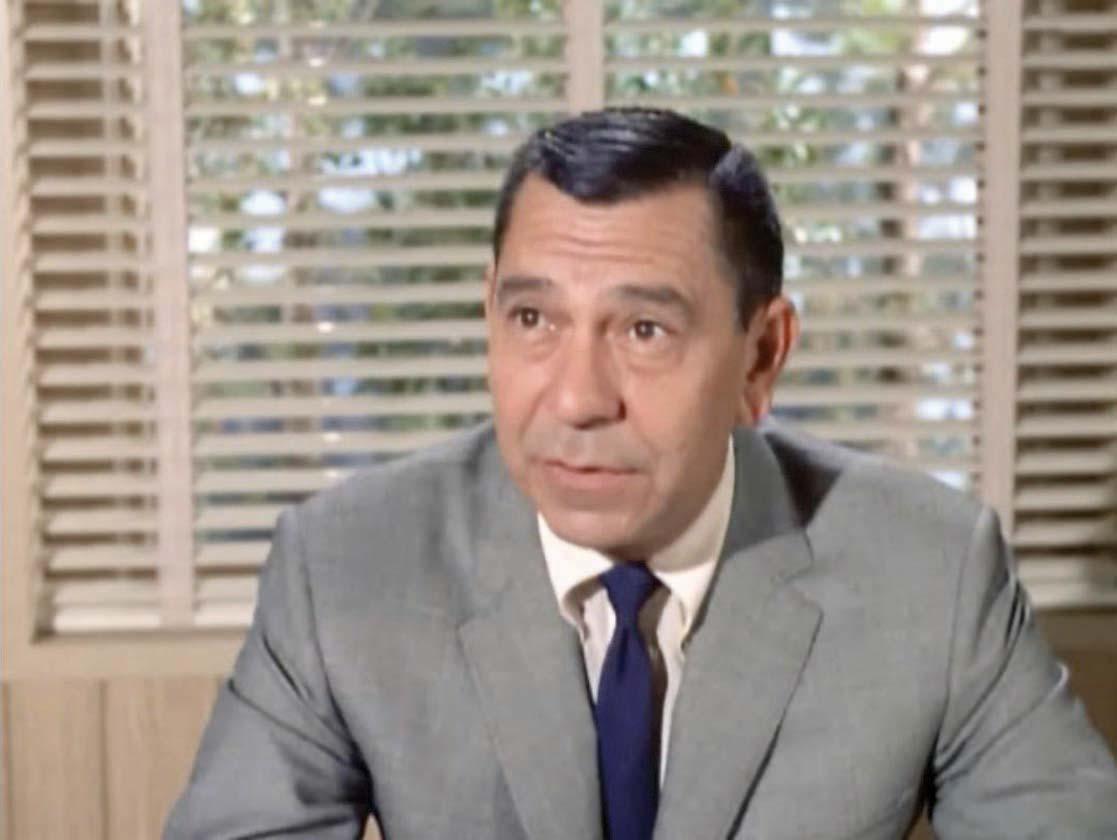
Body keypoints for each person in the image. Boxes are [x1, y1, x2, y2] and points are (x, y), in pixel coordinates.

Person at [166, 108, 1117, 840]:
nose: (577, 399)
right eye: (532, 320)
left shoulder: (931, 571)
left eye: (644, 330)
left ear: (759, 358)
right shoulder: (343, 568)